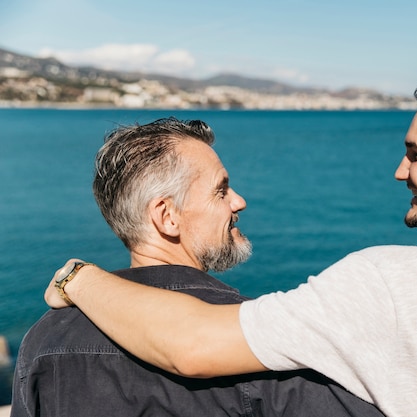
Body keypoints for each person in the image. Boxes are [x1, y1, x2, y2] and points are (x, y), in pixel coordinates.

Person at [45, 59, 417, 417]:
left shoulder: (393, 283)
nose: (400, 171)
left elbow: (191, 346)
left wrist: (80, 277)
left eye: (415, 154)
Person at [13, 118, 385, 417]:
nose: (239, 201)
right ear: (167, 217)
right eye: (221, 190)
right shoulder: (251, 339)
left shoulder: (44, 339)